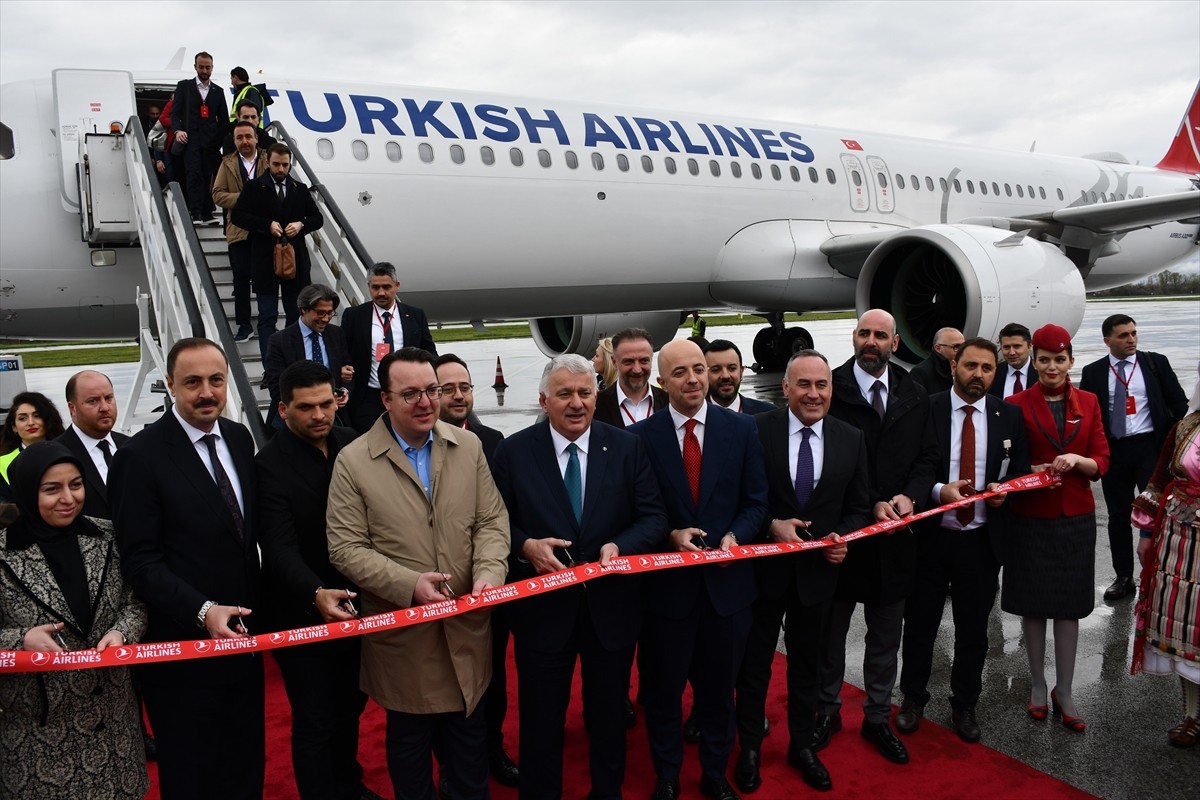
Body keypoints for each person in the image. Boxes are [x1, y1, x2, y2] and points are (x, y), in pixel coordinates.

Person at [327, 347, 509, 800]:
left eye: (433, 390)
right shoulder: (353, 461)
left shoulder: (468, 446)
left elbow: (491, 520)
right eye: (411, 394)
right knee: (410, 756)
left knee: (470, 754)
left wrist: (489, 572)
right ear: (385, 400)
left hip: (467, 629)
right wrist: (409, 585)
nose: (427, 402)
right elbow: (346, 548)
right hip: (405, 639)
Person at [491, 354, 667, 800]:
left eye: (585, 393)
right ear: (543, 400)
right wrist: (525, 547)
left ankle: (607, 793)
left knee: (608, 719)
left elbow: (652, 517)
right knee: (541, 721)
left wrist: (620, 547)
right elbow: (494, 522)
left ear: (596, 396)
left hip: (610, 612)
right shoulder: (513, 451)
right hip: (542, 616)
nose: (576, 404)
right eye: (565, 394)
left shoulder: (627, 447)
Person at [110, 337, 264, 800]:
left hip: (244, 644)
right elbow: (139, 561)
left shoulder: (238, 438)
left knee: (245, 766)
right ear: (170, 385)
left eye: (216, 380)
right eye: (192, 382)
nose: (207, 392)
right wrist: (202, 610)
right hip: (181, 652)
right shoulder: (140, 455)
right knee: (194, 775)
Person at [629, 339, 767, 800]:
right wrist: (669, 533)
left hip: (727, 590)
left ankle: (714, 773)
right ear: (661, 382)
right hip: (668, 593)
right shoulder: (640, 438)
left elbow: (755, 502)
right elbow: (638, 510)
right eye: (681, 373)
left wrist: (736, 537)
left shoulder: (742, 428)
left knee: (717, 694)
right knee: (665, 695)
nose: (693, 379)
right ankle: (667, 775)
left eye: (699, 370)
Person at [733, 350, 870, 794]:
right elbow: (742, 498)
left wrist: (842, 537)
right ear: (785, 388)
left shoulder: (851, 438)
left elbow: (858, 506)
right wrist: (772, 524)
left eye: (822, 385)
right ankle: (750, 745)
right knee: (753, 665)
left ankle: (801, 745)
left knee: (807, 666)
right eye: (804, 385)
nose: (814, 394)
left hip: (818, 577)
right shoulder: (755, 431)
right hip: (763, 574)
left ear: (831, 389)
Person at [255, 361, 381, 800]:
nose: (319, 415)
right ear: (283, 409)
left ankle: (348, 782)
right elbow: (278, 548)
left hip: (358, 604)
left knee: (351, 707)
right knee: (315, 718)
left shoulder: (352, 443)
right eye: (306, 407)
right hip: (299, 613)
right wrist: (314, 593)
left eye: (327, 403)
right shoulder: (268, 465)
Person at [817, 309, 937, 765]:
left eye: (880, 335)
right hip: (845, 537)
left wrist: (910, 495)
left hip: (897, 540)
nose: (872, 342)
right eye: (864, 333)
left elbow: (928, 457)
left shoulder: (913, 391)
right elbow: (828, 457)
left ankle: (876, 717)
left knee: (886, 639)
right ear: (853, 337)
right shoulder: (832, 388)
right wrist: (869, 503)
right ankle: (826, 712)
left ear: (894, 342)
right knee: (831, 637)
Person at [896, 338, 1030, 743]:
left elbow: (1019, 469)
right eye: (971, 366)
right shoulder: (929, 407)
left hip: (981, 540)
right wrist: (938, 491)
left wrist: (1006, 488)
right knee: (920, 624)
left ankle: (965, 703)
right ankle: (913, 698)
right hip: (933, 539)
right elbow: (911, 466)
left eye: (987, 369)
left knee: (974, 630)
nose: (979, 375)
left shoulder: (1009, 415)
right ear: (954, 365)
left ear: (996, 372)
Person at [0, 441, 149, 799]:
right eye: (52, 489)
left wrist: (121, 632)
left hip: (116, 732)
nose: (68, 497)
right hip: (40, 738)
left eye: (76, 484)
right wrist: (20, 641)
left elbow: (136, 599)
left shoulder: (109, 536)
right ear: (26, 490)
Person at [1002, 323, 1109, 733]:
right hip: (1031, 517)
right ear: (1034, 360)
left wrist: (1077, 462)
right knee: (1033, 605)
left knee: (1069, 606)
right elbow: (1008, 462)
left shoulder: (1090, 401)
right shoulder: (1015, 403)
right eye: (1043, 360)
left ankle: (1064, 690)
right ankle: (1037, 684)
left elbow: (1102, 457)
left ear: (1071, 361)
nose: (1051, 367)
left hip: (1075, 516)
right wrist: (1031, 471)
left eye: (1059, 360)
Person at [434, 352, 515, 786]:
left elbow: (499, 516)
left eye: (464, 387)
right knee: (444, 684)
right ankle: (451, 761)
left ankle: (492, 749)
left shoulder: (494, 440)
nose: (459, 395)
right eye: (448, 388)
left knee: (492, 679)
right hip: (437, 591)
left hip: (487, 587)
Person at [1079, 313, 1188, 601]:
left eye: (1133, 333)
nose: (1131, 339)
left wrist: (1175, 446)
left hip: (1149, 450)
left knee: (1157, 513)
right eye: (1123, 335)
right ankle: (1124, 576)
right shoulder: (1093, 372)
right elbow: (1089, 416)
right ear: (1107, 340)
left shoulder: (1155, 363)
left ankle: (1161, 572)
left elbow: (1179, 405)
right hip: (1114, 451)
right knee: (1117, 516)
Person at [1131, 362, 1200, 748]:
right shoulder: (1186, 427)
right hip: (1179, 543)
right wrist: (1146, 532)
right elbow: (1159, 480)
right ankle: (1192, 716)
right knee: (1184, 632)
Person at [231, 142, 325, 358]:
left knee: (296, 316)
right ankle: (270, 366)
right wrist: (266, 225)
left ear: (290, 164)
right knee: (267, 316)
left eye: (285, 165)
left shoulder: (299, 189)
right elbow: (237, 215)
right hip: (265, 262)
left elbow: (317, 218)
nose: (281, 170)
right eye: (276, 165)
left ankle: (294, 363)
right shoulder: (254, 187)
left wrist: (301, 224)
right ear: (268, 162)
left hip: (296, 262)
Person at [342, 262, 438, 433]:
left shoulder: (415, 315)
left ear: (397, 286)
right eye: (375, 287)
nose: (381, 293)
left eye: (386, 287)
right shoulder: (354, 316)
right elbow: (344, 350)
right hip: (369, 397)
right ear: (369, 287)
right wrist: (345, 366)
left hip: (408, 395)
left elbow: (429, 350)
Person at [262, 283, 353, 429]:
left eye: (330, 313)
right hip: (294, 421)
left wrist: (345, 390)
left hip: (332, 418)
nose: (325, 318)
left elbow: (347, 368)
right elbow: (276, 387)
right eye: (320, 312)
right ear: (303, 309)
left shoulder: (337, 334)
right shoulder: (279, 341)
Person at [212, 119, 268, 342]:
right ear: (234, 141)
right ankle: (244, 325)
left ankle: (267, 322)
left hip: (265, 228)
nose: (244, 141)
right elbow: (217, 195)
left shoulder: (267, 159)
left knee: (266, 278)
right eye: (239, 138)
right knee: (241, 279)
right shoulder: (227, 163)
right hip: (238, 230)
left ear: (256, 138)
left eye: (248, 136)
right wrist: (246, 198)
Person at [170, 51, 228, 225]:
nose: (204, 70)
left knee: (209, 175)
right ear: (195, 67)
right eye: (201, 67)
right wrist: (178, 130)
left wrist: (222, 141)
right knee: (193, 174)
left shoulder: (218, 91)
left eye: (207, 67)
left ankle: (207, 212)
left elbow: (224, 120)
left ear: (212, 68)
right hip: (191, 139)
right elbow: (175, 114)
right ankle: (195, 212)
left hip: (211, 141)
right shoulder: (184, 87)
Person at [594, 327, 668, 427]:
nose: (637, 370)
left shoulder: (670, 402)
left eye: (643, 360)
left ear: (651, 360)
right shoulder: (595, 405)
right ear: (614, 362)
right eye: (628, 361)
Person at [1, 391, 66, 494]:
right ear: (14, 427)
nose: (31, 423)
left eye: (37, 416)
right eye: (22, 418)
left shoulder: (67, 452)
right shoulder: (2, 464)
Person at [705, 339, 776, 414]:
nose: (725, 376)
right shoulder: (693, 416)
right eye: (716, 370)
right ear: (704, 374)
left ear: (741, 372)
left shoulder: (770, 414)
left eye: (732, 368)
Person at [908, 327, 964, 394]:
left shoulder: (966, 370)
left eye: (964, 346)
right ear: (938, 348)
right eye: (956, 347)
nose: (962, 351)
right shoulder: (920, 373)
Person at [989, 322, 1034, 399]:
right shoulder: (993, 374)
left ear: (1030, 346)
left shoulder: (1042, 373)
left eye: (1017, 346)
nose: (1012, 352)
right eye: (1006, 347)